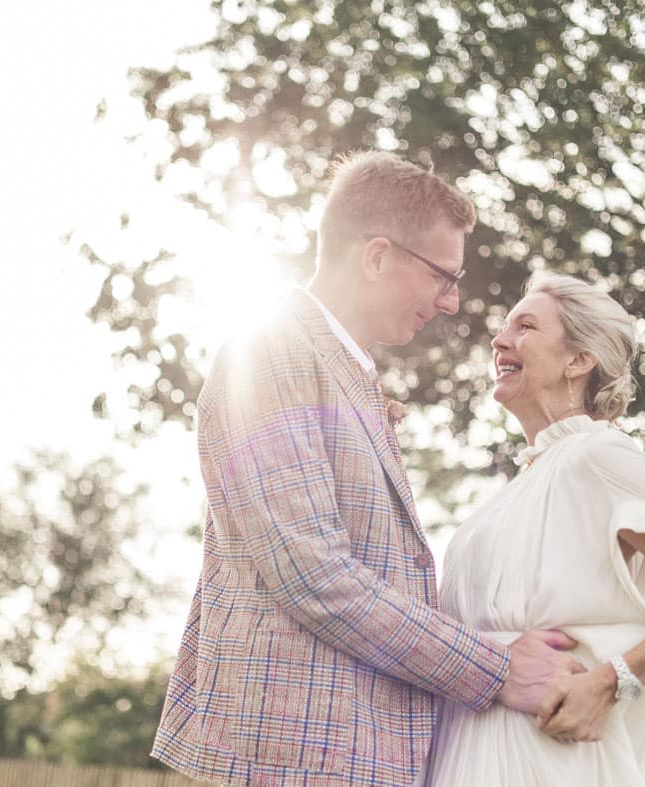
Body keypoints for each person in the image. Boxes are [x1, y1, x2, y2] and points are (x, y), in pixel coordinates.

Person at [151, 152, 585, 787]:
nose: (452, 302)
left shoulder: (340, 369)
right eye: (443, 277)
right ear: (378, 256)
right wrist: (498, 670)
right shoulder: (268, 352)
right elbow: (311, 573)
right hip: (292, 757)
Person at [421, 272, 645, 786]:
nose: (499, 339)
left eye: (526, 326)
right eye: (504, 327)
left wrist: (610, 682)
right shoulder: (517, 489)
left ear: (578, 361)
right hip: (468, 753)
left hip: (555, 761)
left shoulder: (598, 454)